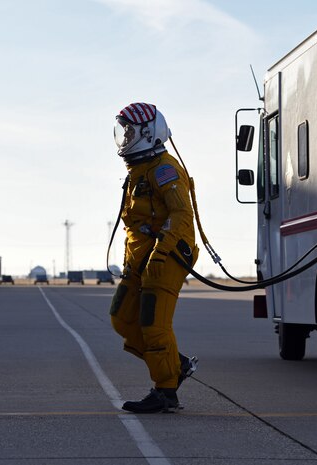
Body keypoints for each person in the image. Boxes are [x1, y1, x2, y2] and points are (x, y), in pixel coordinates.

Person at [109, 102, 199, 413]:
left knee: (154, 324)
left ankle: (166, 391)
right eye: (124, 130)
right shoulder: (140, 170)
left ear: (148, 133)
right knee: (122, 317)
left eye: (130, 130)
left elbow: (181, 214)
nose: (125, 136)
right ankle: (176, 364)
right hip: (142, 259)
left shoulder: (164, 168)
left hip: (166, 257)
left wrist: (161, 254)